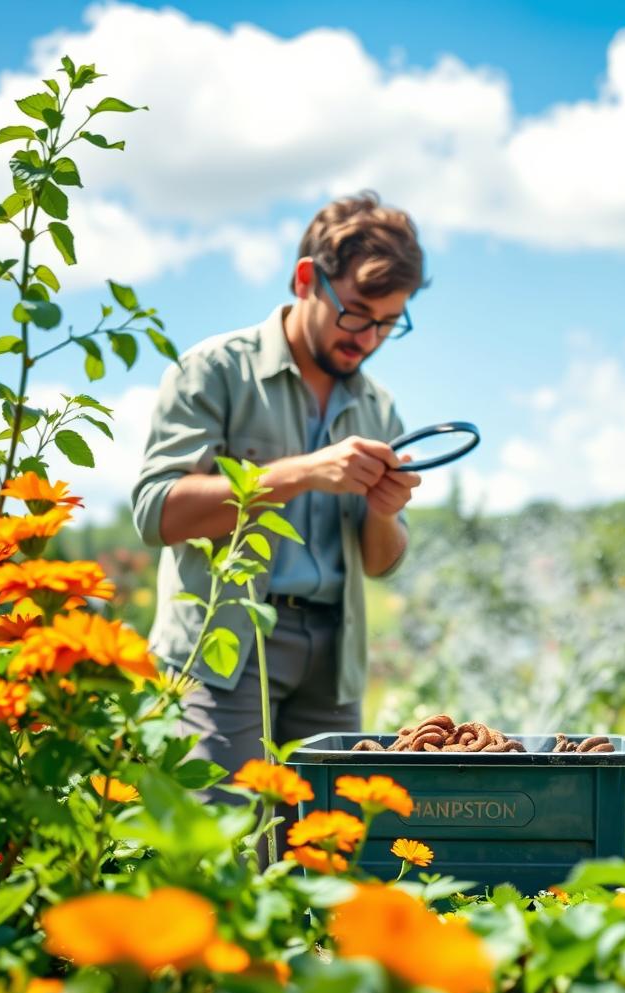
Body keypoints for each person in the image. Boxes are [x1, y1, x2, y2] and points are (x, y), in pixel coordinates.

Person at [132, 191, 424, 789]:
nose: (368, 338)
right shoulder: (215, 371)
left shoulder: (379, 406)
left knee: (327, 847)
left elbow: (379, 562)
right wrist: (305, 472)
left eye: (389, 324)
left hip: (333, 663)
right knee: (225, 844)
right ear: (306, 279)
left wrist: (385, 514)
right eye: (357, 313)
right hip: (225, 649)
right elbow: (156, 513)